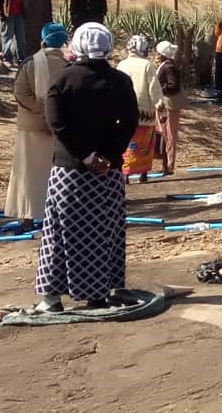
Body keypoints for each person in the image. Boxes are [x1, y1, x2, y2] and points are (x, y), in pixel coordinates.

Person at [34, 22, 139, 312]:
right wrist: (106, 154)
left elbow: (57, 123)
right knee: (103, 231)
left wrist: (86, 156)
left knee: (58, 232)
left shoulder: (62, 80)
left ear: (77, 45)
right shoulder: (120, 81)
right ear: (107, 46)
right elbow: (129, 122)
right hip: (107, 173)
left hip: (69, 171)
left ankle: (52, 299)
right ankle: (98, 295)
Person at [5, 23, 70, 232]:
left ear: (43, 41)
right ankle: (56, 216)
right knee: (56, 173)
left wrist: (41, 108)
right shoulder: (68, 67)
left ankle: (27, 218)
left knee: (28, 173)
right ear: (63, 43)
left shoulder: (30, 63)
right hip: (60, 128)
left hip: (30, 126)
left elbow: (21, 93)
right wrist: (53, 112)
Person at [117, 34, 163, 182]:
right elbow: (154, 89)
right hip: (145, 115)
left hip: (125, 113)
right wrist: (160, 106)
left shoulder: (122, 65)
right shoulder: (147, 65)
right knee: (145, 145)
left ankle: (126, 175)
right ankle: (143, 173)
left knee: (127, 144)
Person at [154, 41, 186, 175]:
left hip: (169, 104)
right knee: (165, 134)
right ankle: (166, 164)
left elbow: (173, 85)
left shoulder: (168, 67)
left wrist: (158, 89)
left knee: (169, 135)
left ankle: (169, 165)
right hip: (166, 104)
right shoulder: (168, 65)